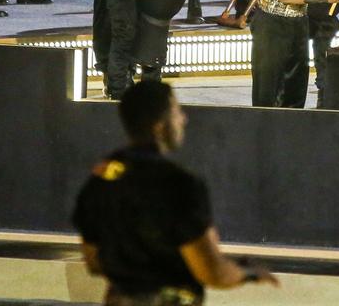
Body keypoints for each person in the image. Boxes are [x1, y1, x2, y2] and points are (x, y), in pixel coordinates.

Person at [72, 80, 278, 306]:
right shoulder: (179, 184)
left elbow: (93, 262)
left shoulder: (100, 180)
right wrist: (248, 273)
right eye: (177, 111)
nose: (183, 119)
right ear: (160, 126)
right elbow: (211, 272)